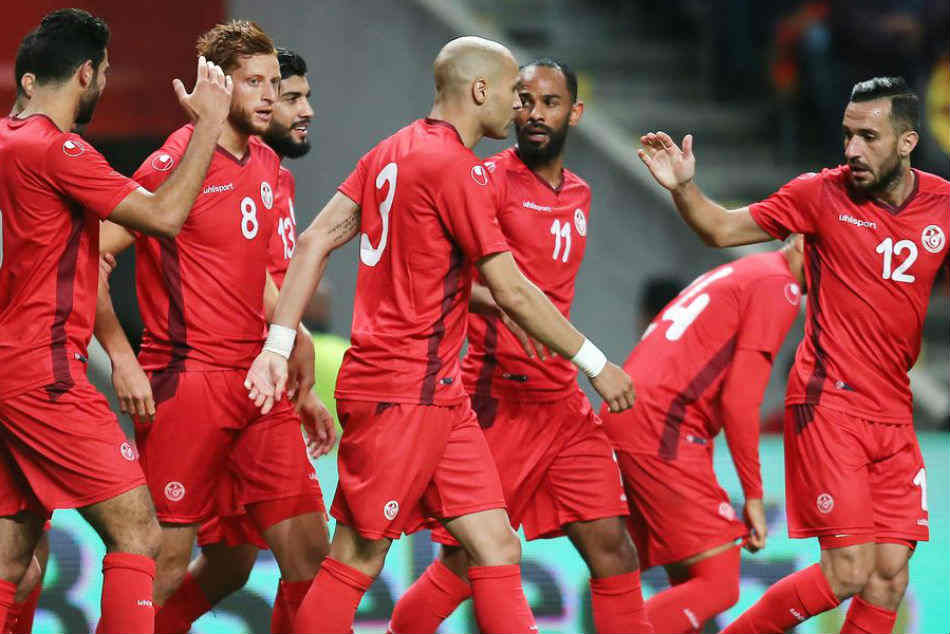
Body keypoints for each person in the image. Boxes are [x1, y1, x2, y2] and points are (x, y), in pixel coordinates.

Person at [244, 36, 635, 634]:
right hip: (401, 389)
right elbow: (511, 289)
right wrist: (597, 363)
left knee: (497, 545)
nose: (517, 107)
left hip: (442, 395)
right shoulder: (459, 168)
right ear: (480, 91)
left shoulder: (392, 150)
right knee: (358, 556)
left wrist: (276, 345)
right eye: (512, 93)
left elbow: (315, 239)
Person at [638, 76, 948, 633]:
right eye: (847, 135)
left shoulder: (943, 204)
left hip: (894, 410)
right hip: (831, 403)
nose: (852, 150)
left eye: (869, 137)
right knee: (848, 571)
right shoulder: (819, 195)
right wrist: (684, 188)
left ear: (907, 142)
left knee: (889, 576)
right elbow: (720, 228)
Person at [388, 58, 651, 634]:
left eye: (550, 103)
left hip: (562, 405)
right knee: (466, 564)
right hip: (497, 400)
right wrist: (507, 306)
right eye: (525, 100)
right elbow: (447, 277)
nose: (534, 113)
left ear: (574, 113)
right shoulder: (485, 180)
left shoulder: (579, 192)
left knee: (614, 549)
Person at [92, 21, 330, 630]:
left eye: (275, 83)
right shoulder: (174, 161)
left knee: (310, 558)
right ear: (218, 86)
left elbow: (252, 271)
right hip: (186, 383)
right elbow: (90, 257)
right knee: (164, 566)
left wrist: (291, 337)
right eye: (255, 82)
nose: (270, 96)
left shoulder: (268, 162)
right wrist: (121, 355)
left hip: (258, 383)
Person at [0, 8, 231, 632]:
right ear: (86, 73)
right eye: (102, 73)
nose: (103, 84)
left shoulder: (6, 142)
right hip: (43, 372)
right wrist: (208, 126)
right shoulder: (58, 150)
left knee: (14, 559)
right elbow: (163, 217)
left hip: (10, 369)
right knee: (139, 534)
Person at [601, 238, 805, 633]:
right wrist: (754, 495)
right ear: (804, 240)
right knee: (719, 581)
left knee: (687, 582)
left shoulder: (746, 270)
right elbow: (739, 400)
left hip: (635, 413)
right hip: (662, 426)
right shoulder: (780, 285)